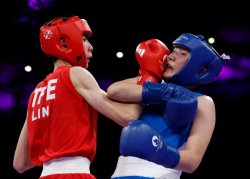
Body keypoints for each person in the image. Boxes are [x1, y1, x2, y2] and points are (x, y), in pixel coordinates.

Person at [13, 15, 143, 179]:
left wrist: (52, 153)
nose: (91, 47)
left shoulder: (36, 93)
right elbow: (127, 117)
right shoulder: (75, 74)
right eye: (84, 39)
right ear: (64, 42)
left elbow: (20, 163)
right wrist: (147, 84)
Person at [107, 33, 230, 179]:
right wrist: (161, 90)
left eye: (182, 53)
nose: (170, 56)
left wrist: (158, 149)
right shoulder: (155, 83)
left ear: (200, 69)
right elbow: (114, 91)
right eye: (174, 50)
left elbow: (192, 161)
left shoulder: (203, 102)